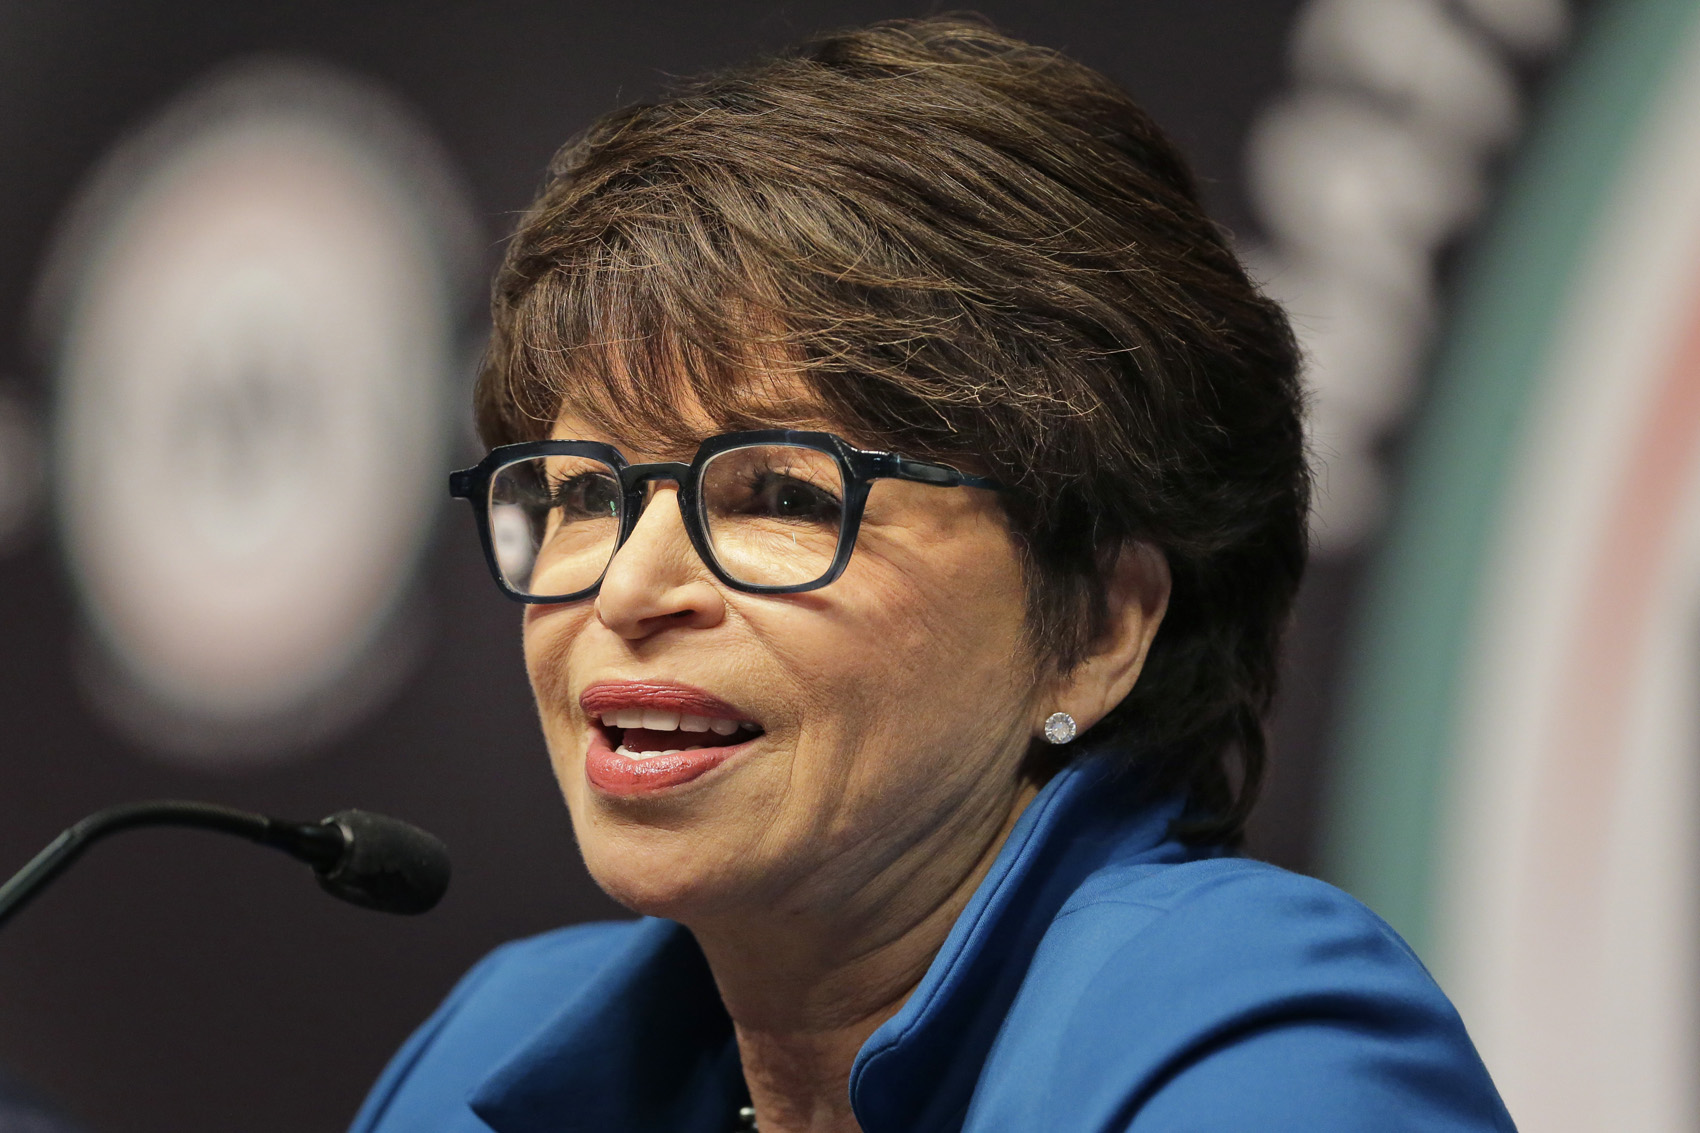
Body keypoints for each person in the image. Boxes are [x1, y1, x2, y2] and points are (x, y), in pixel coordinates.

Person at [352, 16, 1512, 1133]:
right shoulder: (484, 1050)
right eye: (585, 495)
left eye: (781, 495)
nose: (624, 590)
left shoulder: (1251, 1041)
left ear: (1097, 626)